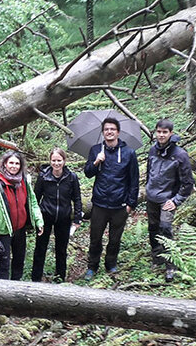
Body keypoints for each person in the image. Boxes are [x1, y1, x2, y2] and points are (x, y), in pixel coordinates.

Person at [83, 117, 139, 281]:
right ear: (103, 132)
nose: (109, 132)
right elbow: (87, 173)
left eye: (112, 129)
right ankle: (92, 266)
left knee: (115, 239)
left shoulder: (129, 153)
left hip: (120, 204)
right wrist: (96, 161)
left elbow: (134, 180)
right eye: (106, 129)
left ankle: (111, 264)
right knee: (95, 238)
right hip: (100, 203)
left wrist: (131, 203)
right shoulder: (95, 150)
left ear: (118, 132)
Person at [146, 119, 194, 282]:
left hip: (168, 199)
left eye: (164, 132)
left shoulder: (180, 154)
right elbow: (149, 173)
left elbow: (188, 182)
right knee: (153, 228)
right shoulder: (153, 151)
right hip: (152, 197)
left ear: (171, 133)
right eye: (159, 132)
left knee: (165, 228)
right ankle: (157, 257)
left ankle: (170, 265)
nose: (161, 135)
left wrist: (176, 200)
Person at [0, 150, 44, 280]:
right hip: (4, 231)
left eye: (17, 163)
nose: (14, 166)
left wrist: (38, 221)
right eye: (11, 163)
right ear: (5, 164)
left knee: (19, 261)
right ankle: (2, 293)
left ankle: (16, 290)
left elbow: (32, 202)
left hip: (20, 229)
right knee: (4, 264)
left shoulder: (23, 181)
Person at [31, 148, 82, 283]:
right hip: (45, 216)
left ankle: (60, 279)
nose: (56, 163)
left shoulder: (72, 178)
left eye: (59, 160)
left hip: (64, 217)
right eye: (53, 160)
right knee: (40, 248)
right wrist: (35, 218)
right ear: (50, 161)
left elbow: (77, 199)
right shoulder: (43, 176)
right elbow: (35, 198)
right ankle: (35, 279)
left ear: (64, 161)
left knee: (61, 249)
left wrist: (77, 219)